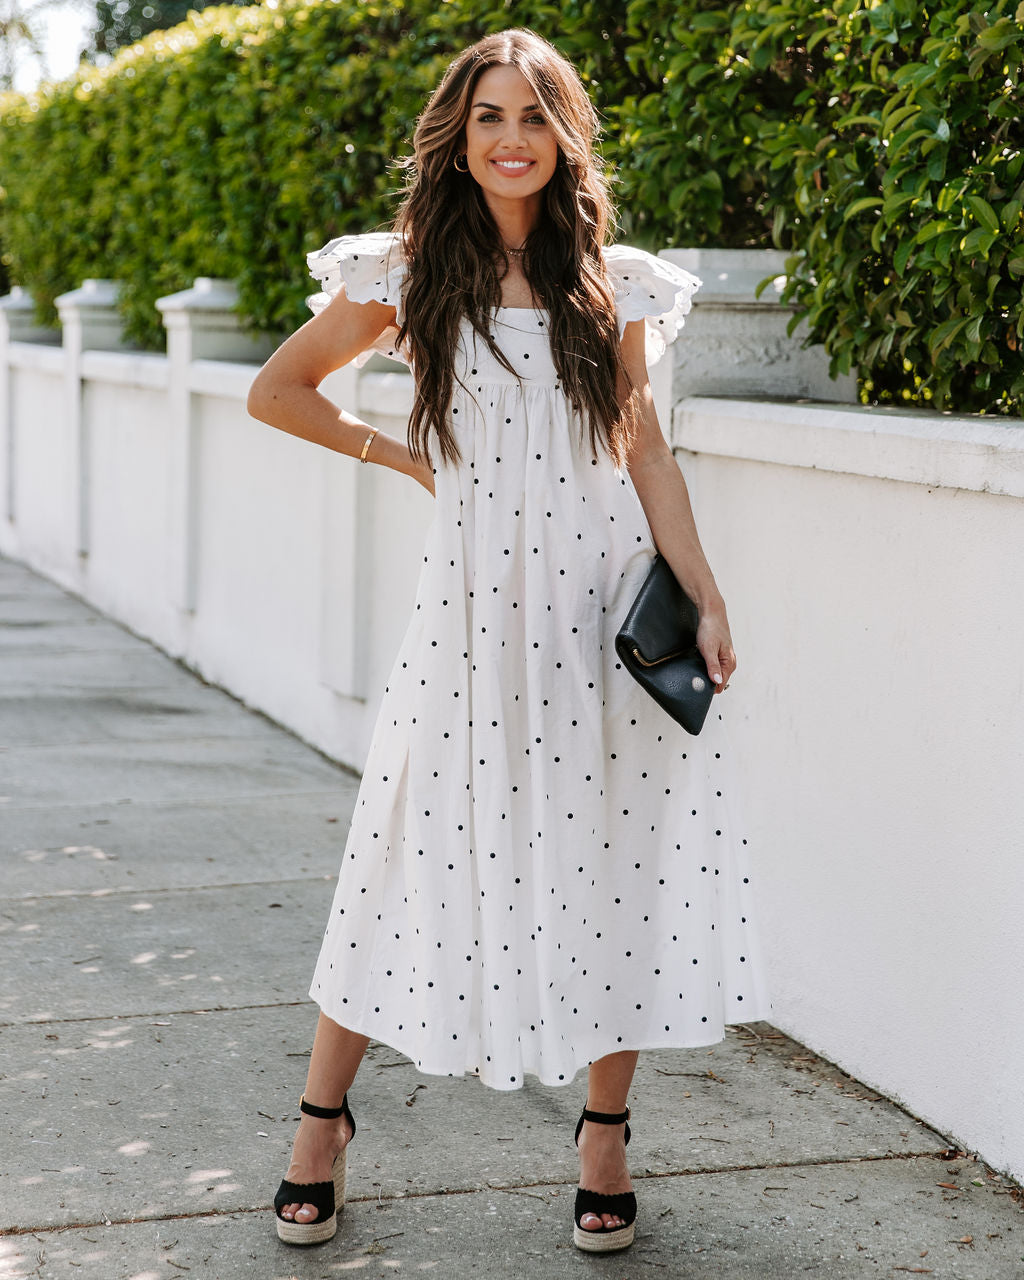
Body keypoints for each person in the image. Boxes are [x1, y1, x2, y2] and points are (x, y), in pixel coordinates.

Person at [246, 27, 771, 1255]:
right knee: (398, 850)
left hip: (599, 611)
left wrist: (705, 592)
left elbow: (644, 451)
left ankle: (602, 1135)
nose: (512, 138)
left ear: (564, 133)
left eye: (534, 115)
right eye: (489, 115)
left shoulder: (614, 281)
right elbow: (277, 390)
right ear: (458, 134)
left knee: (614, 855)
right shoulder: (405, 269)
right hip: (469, 615)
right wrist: (409, 457)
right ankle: (320, 1124)